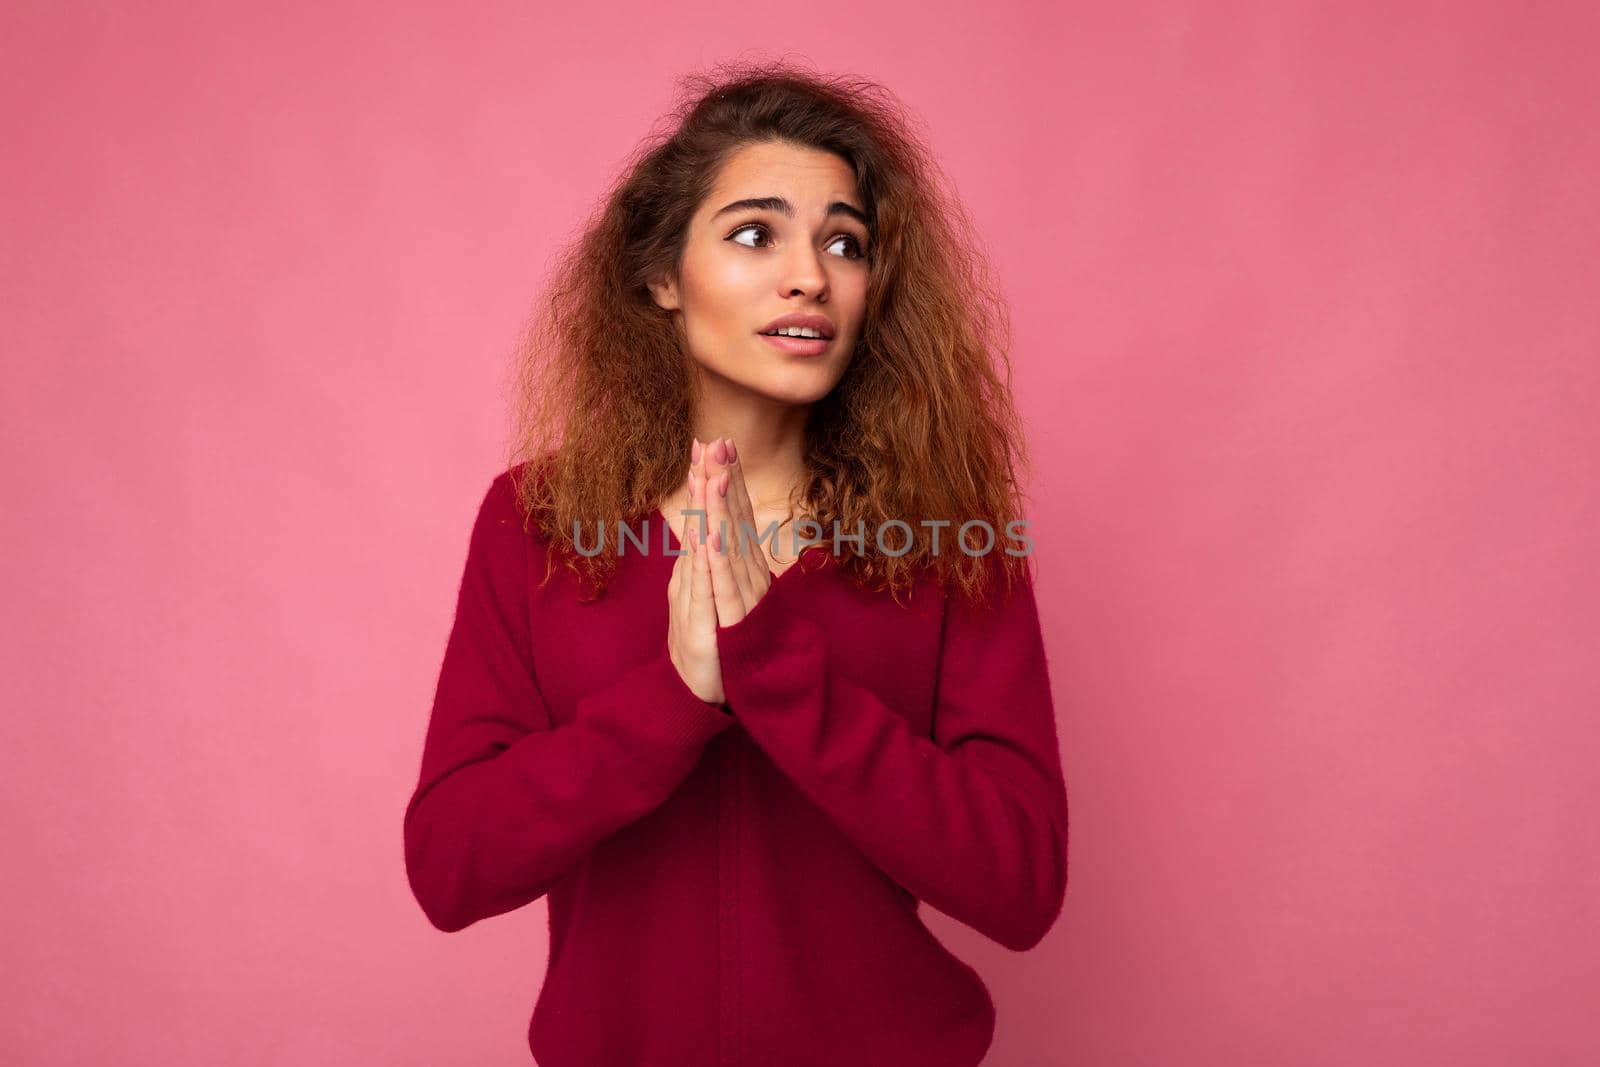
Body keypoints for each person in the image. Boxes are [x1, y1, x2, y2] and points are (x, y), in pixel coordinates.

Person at [402, 61, 1069, 1066]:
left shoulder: (947, 532)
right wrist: (674, 696)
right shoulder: (533, 520)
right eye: (754, 233)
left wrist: (779, 674)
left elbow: (1020, 884)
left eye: (844, 242)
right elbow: (451, 865)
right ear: (660, 276)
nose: (809, 274)